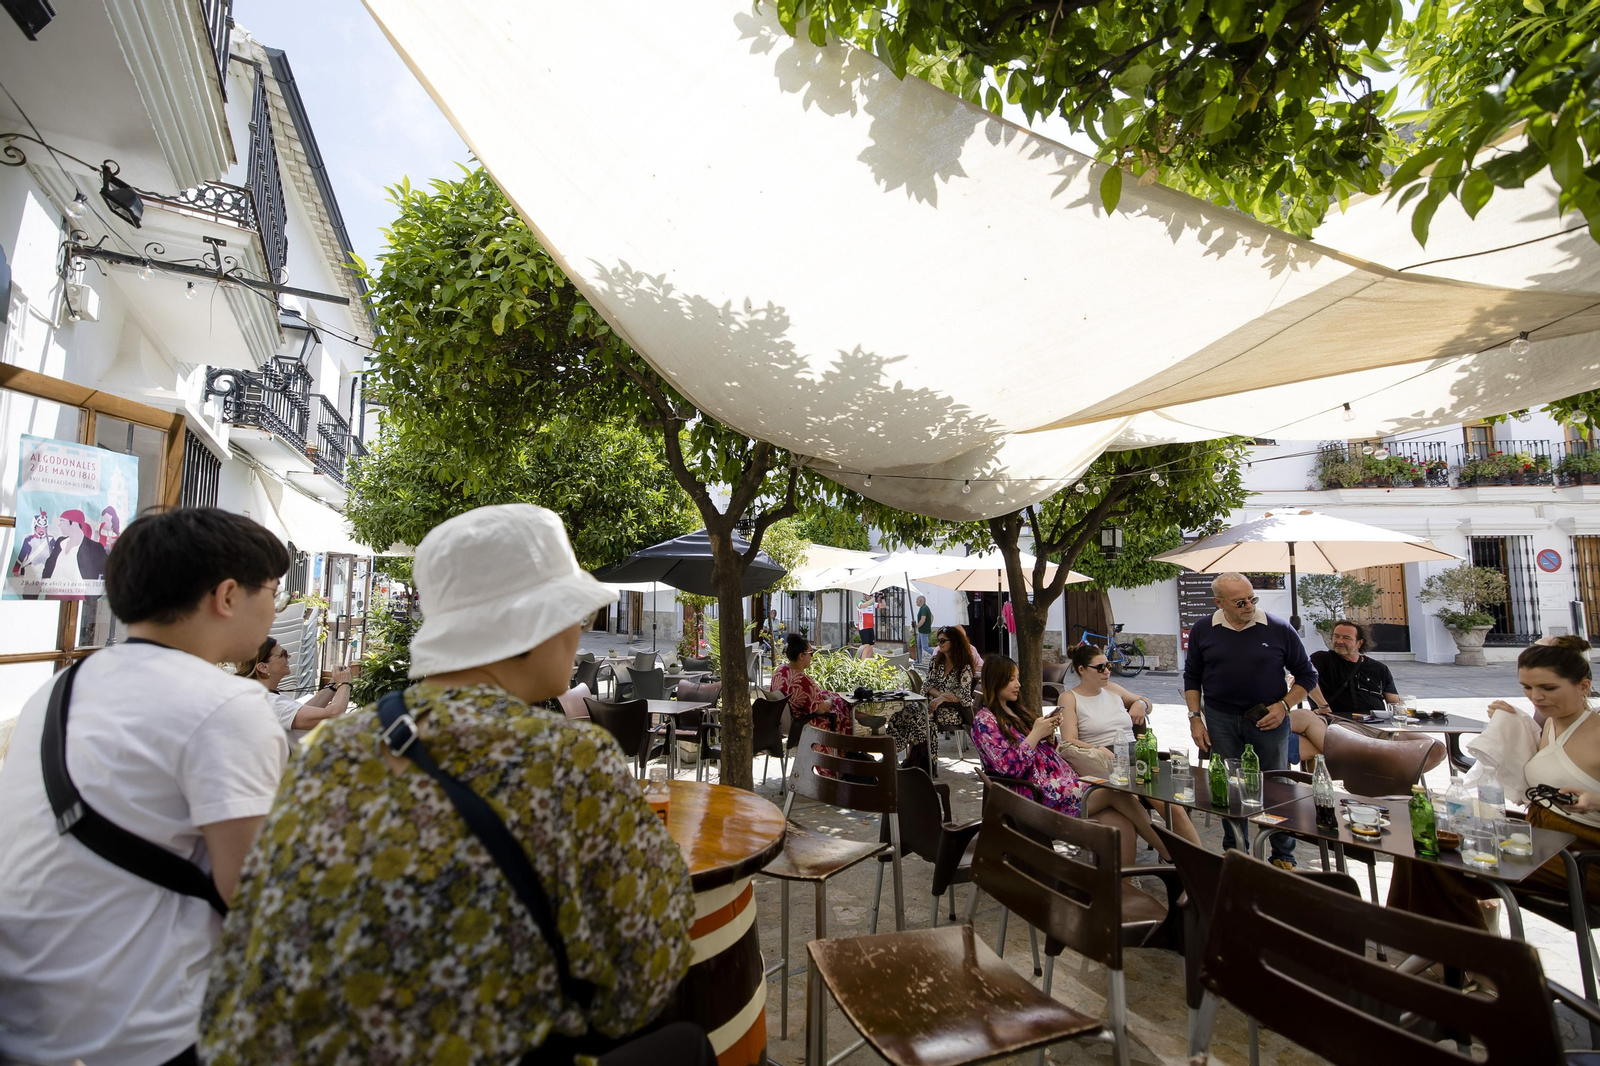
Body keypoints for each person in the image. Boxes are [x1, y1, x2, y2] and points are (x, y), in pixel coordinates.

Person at [200, 504, 704, 1064]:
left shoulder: (331, 747)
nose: (579, 628)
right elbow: (643, 978)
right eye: (574, 612)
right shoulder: (568, 760)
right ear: (534, 624)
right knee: (687, 1046)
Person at [0, 507, 290, 1066]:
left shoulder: (60, 688)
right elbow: (255, 891)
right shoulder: (228, 705)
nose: (274, 609)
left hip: (25, 1018)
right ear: (228, 595)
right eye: (272, 592)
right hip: (145, 1030)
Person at [1388, 637, 1600, 929]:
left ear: (1584, 686)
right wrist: (1511, 722)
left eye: (1548, 688)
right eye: (1527, 688)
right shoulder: (1550, 723)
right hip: (1542, 837)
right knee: (1422, 844)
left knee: (1441, 860)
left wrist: (1595, 800)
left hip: (1585, 855)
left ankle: (1471, 950)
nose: (1536, 697)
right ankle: (1429, 941)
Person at [1184, 572, 1317, 868]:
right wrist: (1195, 718)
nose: (1249, 606)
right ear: (1219, 602)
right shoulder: (1203, 629)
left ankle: (1283, 854)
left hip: (1269, 718)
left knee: (1276, 785)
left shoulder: (1278, 628)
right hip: (1220, 717)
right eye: (1240, 602)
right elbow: (1192, 676)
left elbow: (1308, 675)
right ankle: (1236, 851)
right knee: (1229, 784)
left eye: (1252, 598)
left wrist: (1284, 705)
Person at [1056, 643, 1202, 857]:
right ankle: (1173, 855)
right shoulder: (1069, 698)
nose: (1107, 671)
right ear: (1082, 670)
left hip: (1136, 752)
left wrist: (1141, 704)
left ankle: (1201, 860)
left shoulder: (1113, 689)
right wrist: (1097, 748)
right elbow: (1069, 740)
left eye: (1108, 665)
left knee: (1173, 807)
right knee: (1132, 806)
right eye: (1100, 667)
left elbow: (1148, 702)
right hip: (1105, 759)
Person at [232, 636, 353, 741]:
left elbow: (305, 711)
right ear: (263, 667)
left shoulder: (261, 696)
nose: (288, 656)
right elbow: (332, 715)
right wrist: (344, 683)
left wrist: (334, 683)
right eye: (282, 655)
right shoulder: (270, 703)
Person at [772, 632, 856, 736]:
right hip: (805, 724)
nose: (812, 656)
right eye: (811, 653)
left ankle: (860, 717)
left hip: (787, 721)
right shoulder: (802, 681)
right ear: (801, 656)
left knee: (838, 699)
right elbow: (822, 709)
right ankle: (846, 742)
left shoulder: (780, 670)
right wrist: (829, 700)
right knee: (842, 706)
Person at [42, 508, 110, 587]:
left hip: (81, 592)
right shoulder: (60, 542)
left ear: (74, 523)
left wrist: (95, 592)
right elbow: (49, 565)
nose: (59, 525)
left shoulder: (94, 547)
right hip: (53, 591)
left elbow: (109, 569)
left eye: (62, 521)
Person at [856, 593, 879, 658]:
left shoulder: (872, 603)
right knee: (866, 647)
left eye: (871, 595)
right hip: (863, 627)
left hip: (870, 627)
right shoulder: (859, 602)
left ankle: (868, 661)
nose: (870, 597)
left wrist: (882, 598)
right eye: (869, 595)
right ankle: (863, 662)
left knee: (871, 647)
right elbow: (863, 606)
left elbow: (883, 606)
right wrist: (873, 598)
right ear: (864, 595)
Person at [914, 595, 933, 664]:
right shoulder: (924, 608)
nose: (916, 602)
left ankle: (937, 654)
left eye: (917, 600)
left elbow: (923, 619)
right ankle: (918, 660)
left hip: (923, 631)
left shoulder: (924, 608)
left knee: (925, 647)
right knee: (918, 646)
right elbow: (932, 616)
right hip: (922, 630)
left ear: (920, 601)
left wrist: (916, 627)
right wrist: (929, 624)